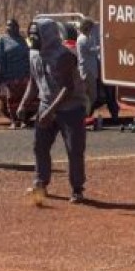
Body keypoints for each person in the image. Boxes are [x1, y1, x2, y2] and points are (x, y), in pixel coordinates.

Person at [17, 18, 88, 203]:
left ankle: (77, 188)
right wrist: (23, 104)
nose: (33, 39)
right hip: (46, 104)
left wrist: (51, 112)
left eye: (36, 35)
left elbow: (68, 88)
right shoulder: (34, 54)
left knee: (74, 150)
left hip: (71, 107)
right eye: (31, 35)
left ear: (47, 35)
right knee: (39, 146)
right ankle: (40, 182)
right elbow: (34, 81)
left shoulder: (63, 56)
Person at [0, 18, 30, 127]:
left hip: (23, 73)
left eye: (12, 25)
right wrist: (2, 74)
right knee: (11, 99)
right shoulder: (2, 40)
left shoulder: (23, 39)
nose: (10, 28)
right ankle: (14, 121)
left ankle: (23, 120)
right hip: (10, 74)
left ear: (17, 27)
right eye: (8, 25)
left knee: (24, 98)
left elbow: (29, 52)